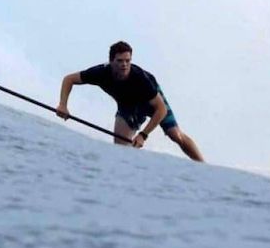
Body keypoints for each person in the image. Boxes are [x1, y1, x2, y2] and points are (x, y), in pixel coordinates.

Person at [55, 41, 204, 161]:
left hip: (152, 104)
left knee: (175, 135)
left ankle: (202, 165)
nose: (124, 65)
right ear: (111, 61)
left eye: (128, 61)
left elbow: (161, 109)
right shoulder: (100, 73)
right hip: (128, 107)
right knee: (121, 148)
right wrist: (63, 105)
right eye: (120, 61)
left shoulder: (140, 78)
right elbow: (69, 79)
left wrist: (143, 135)